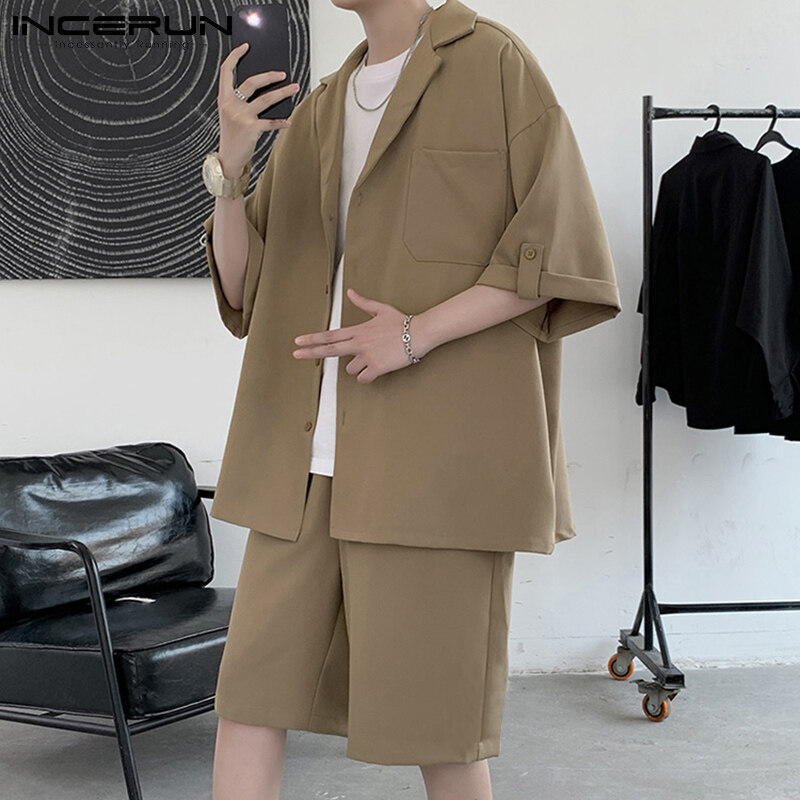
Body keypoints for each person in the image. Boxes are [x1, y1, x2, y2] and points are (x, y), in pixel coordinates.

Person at [202, 1, 622, 799]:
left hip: (432, 466)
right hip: (299, 472)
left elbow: (557, 252)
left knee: (442, 732)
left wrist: (412, 335)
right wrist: (231, 161)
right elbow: (244, 287)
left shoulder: (494, 64)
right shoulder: (323, 105)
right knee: (248, 702)